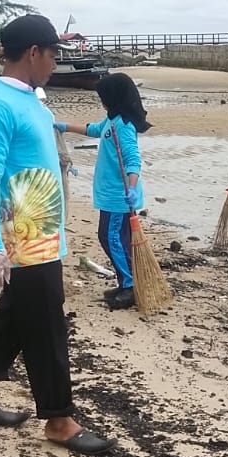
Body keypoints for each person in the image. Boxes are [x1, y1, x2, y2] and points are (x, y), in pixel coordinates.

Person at [0, 14, 115, 456]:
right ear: (33, 53)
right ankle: (60, 419)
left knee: (15, 313)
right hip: (23, 234)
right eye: (52, 54)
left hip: (43, 228)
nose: (54, 63)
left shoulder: (32, 101)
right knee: (46, 323)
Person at [55, 73, 150, 311]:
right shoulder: (112, 120)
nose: (102, 101)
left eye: (103, 97)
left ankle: (130, 286)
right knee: (114, 238)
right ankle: (125, 281)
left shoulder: (124, 126)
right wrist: (65, 126)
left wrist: (131, 187)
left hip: (120, 197)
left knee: (111, 238)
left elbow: (133, 159)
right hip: (109, 195)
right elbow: (95, 129)